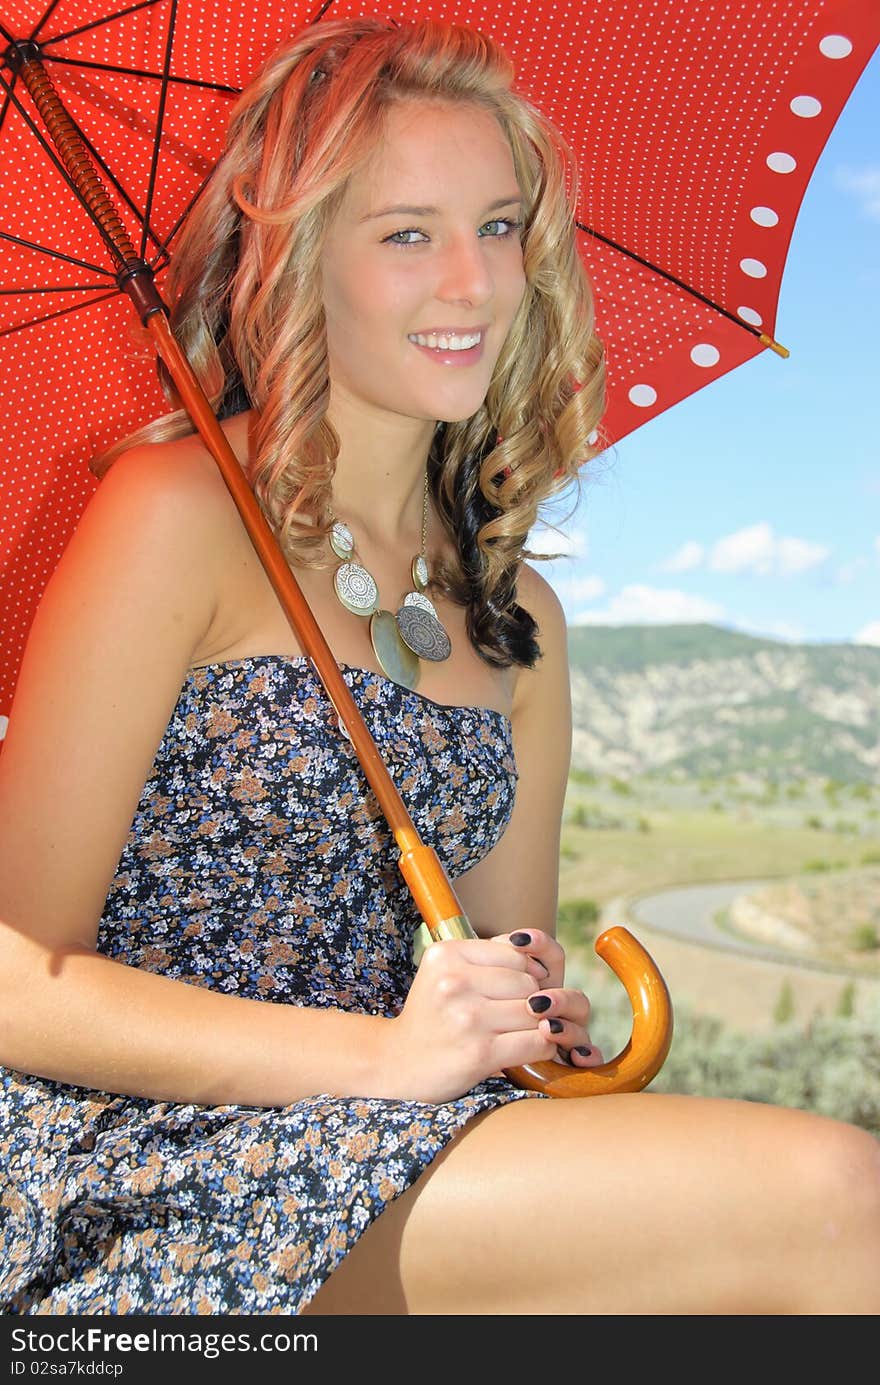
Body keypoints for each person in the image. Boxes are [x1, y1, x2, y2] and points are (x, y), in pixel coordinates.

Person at [0, 15, 878, 1318]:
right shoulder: (174, 510)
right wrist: (387, 1052)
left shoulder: (519, 616)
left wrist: (525, 1022)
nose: (471, 282)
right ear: (302, 255)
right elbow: (17, 971)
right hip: (143, 1168)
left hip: (397, 1150)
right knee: (835, 1199)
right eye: (408, 233)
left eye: (499, 225)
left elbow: (504, 953)